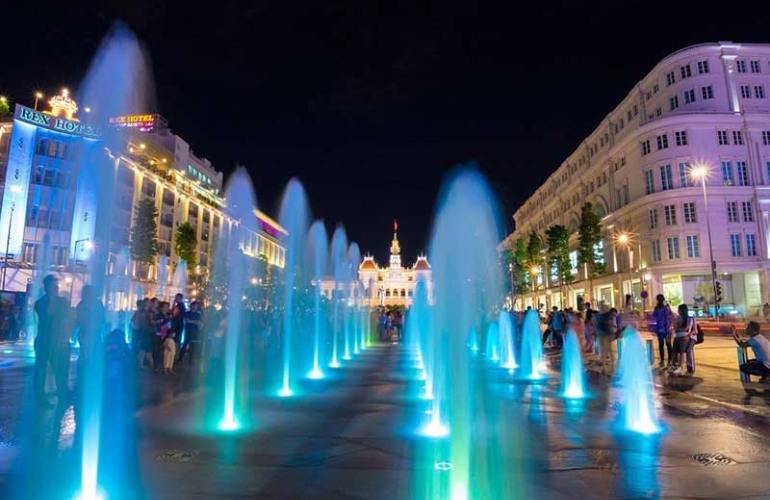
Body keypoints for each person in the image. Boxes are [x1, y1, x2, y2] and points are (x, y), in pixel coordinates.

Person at [33, 275, 70, 405]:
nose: (56, 288)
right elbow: (46, 317)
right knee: (41, 371)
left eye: (57, 286)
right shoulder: (40, 303)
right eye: (53, 286)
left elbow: (67, 319)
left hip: (57, 341)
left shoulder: (63, 302)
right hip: (43, 341)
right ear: (46, 287)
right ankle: (40, 397)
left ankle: (63, 395)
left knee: (59, 369)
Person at [670, 304, 696, 375]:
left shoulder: (689, 318)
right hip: (677, 336)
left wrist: (679, 329)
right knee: (674, 351)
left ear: (682, 310)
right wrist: (674, 322)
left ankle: (681, 367)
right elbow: (675, 328)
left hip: (684, 336)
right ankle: (674, 366)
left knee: (682, 352)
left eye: (679, 309)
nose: (678, 311)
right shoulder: (678, 318)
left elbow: (687, 328)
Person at [651, 294, 674, 368]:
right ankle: (669, 361)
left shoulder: (657, 308)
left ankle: (662, 361)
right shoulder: (666, 307)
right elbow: (670, 317)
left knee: (661, 345)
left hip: (660, 329)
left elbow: (653, 318)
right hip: (666, 329)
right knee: (668, 345)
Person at [595, 304, 617, 375]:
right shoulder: (606, 315)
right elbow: (611, 324)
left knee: (605, 351)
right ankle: (609, 366)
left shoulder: (600, 316)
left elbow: (597, 325)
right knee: (607, 351)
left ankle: (607, 367)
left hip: (603, 335)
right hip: (605, 335)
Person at [181, 300, 202, 364]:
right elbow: (186, 321)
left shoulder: (198, 314)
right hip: (188, 330)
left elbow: (199, 322)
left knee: (192, 346)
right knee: (185, 344)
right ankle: (180, 358)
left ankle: (191, 360)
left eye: (196, 306)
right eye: (194, 305)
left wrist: (193, 321)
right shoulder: (187, 313)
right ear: (191, 306)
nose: (195, 307)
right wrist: (195, 322)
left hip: (195, 331)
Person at [170, 293, 187, 362]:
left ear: (180, 298)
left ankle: (175, 356)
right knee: (177, 340)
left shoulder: (179, 305)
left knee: (176, 340)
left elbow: (173, 314)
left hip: (177, 325)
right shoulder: (182, 305)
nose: (175, 299)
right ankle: (176, 356)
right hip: (179, 324)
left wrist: (173, 304)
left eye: (176, 298)